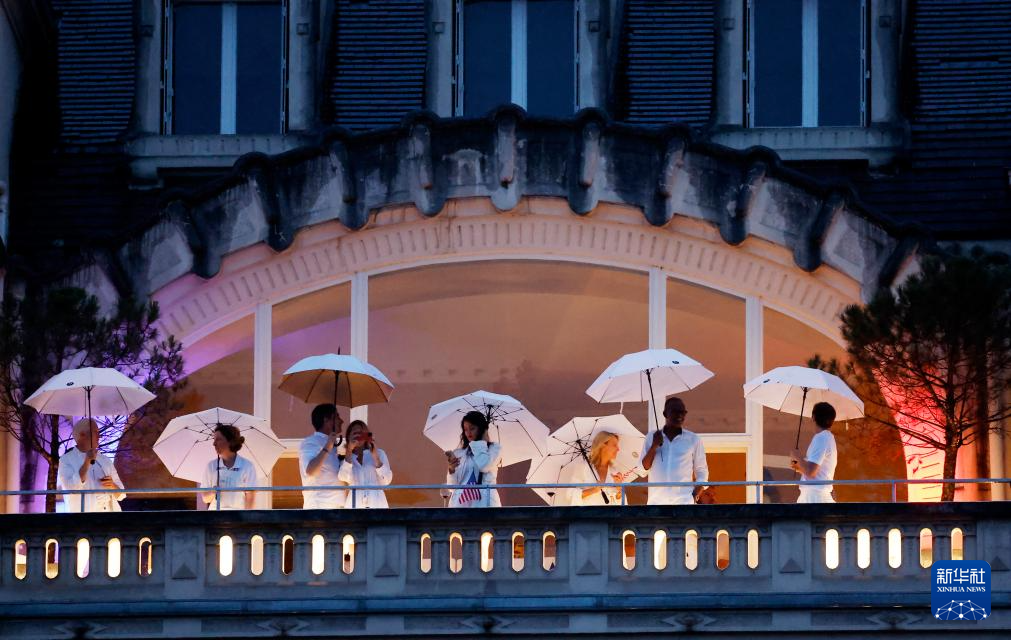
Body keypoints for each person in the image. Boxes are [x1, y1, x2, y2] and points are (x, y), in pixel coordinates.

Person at [640, 397, 710, 505]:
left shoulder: (693, 439)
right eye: (675, 411)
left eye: (683, 412)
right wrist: (654, 446)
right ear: (665, 414)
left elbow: (702, 471)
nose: (679, 415)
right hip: (656, 504)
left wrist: (695, 494)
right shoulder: (651, 437)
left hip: (684, 504)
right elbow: (642, 469)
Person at [56, 418, 125, 513]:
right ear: (82, 435)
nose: (99, 436)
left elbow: (121, 495)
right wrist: (87, 461)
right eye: (95, 432)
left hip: (110, 517)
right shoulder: (65, 460)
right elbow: (71, 488)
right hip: (86, 518)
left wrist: (112, 486)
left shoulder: (105, 460)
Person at [446, 411, 502, 507]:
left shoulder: (494, 449)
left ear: (481, 429)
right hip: (461, 505)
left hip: (484, 504)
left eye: (472, 428)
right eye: (465, 429)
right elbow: (452, 487)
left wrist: (481, 442)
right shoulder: (459, 453)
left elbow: (484, 466)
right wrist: (451, 469)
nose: (468, 433)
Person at [299, 403, 347, 509]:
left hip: (337, 508)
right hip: (319, 508)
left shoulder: (332, 444)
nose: (341, 421)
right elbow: (311, 471)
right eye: (337, 417)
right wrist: (328, 446)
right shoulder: (311, 442)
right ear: (326, 420)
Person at [200, 423, 256, 510]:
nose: (214, 443)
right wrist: (214, 491)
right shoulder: (211, 466)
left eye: (218, 439)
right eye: (214, 439)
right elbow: (205, 499)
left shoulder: (247, 466)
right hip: (215, 515)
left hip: (237, 515)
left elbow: (250, 498)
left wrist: (247, 517)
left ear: (230, 441)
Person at [791, 401, 838, 503]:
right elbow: (815, 472)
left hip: (814, 497)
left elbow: (811, 472)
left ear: (813, 417)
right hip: (815, 495)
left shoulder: (821, 438)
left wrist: (797, 456)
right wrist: (799, 466)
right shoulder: (828, 438)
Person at [338, 420, 393, 508]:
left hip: (377, 503)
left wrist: (375, 457)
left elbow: (386, 481)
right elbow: (344, 477)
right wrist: (349, 450)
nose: (358, 436)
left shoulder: (380, 453)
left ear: (367, 435)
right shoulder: (347, 458)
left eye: (361, 433)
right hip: (355, 503)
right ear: (348, 437)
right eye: (355, 433)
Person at [566, 431, 625, 506]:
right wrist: (593, 490)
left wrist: (620, 489)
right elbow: (570, 495)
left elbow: (621, 504)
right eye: (614, 445)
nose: (618, 449)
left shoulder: (616, 472)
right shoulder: (583, 467)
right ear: (602, 445)